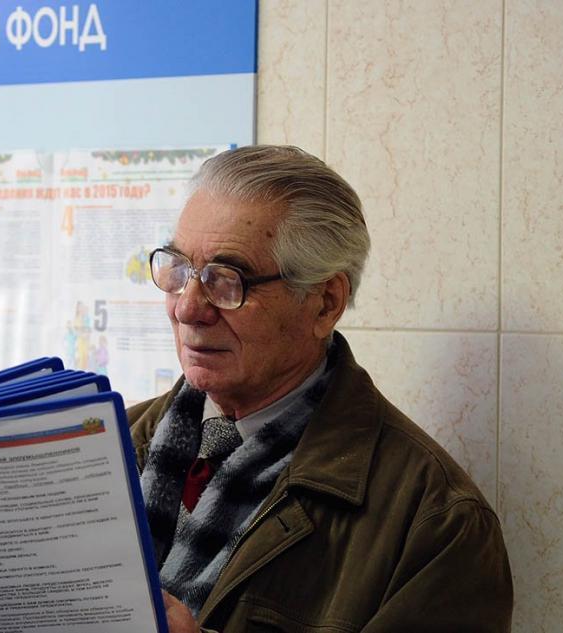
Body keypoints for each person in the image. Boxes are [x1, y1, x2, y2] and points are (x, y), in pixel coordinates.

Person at [128, 145, 512, 632]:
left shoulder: (436, 522)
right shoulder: (111, 442)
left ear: (326, 303)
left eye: (227, 280)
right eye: (180, 270)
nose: (187, 308)